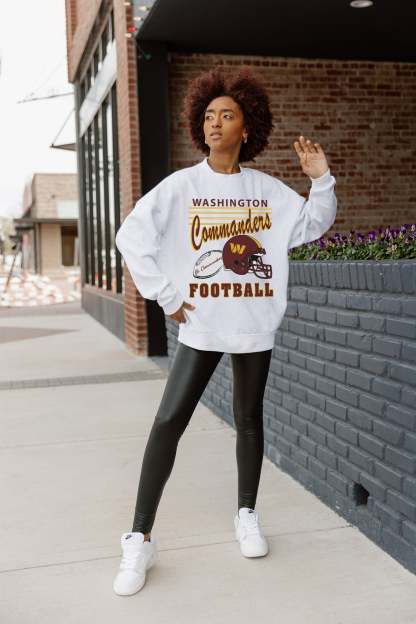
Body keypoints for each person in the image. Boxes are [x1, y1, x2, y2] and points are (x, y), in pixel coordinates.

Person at [112, 65, 337, 596]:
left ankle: (247, 514)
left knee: (249, 419)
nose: (215, 123)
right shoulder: (182, 186)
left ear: (246, 127)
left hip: (253, 323)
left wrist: (320, 179)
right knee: (169, 421)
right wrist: (167, 296)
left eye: (227, 115)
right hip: (202, 325)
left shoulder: (267, 191)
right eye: (209, 115)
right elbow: (130, 237)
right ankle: (140, 538)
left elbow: (310, 225)